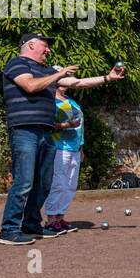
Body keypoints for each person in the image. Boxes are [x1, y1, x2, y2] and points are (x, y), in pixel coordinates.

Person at [0, 33, 124, 245]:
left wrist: (107, 78)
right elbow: (30, 86)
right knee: (24, 181)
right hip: (25, 130)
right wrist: (57, 75)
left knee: (43, 183)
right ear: (30, 45)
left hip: (46, 132)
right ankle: (9, 230)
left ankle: (31, 225)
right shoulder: (17, 64)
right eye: (44, 46)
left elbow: (79, 82)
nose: (48, 50)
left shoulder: (48, 72)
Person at [44, 85, 86, 233]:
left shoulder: (70, 101)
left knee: (70, 185)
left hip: (74, 148)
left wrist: (81, 147)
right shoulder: (49, 101)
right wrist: (67, 125)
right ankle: (50, 220)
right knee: (58, 183)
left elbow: (80, 127)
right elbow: (47, 125)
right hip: (59, 146)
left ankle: (60, 218)